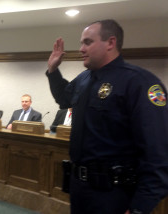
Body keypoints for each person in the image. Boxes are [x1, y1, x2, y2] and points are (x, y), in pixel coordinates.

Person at [46, 19, 168, 214]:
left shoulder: (139, 82)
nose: (81, 49)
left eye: (87, 42)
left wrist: (139, 208)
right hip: (80, 189)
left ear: (110, 43)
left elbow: (157, 154)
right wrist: (53, 71)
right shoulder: (84, 79)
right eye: (81, 43)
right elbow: (63, 98)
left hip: (114, 194)